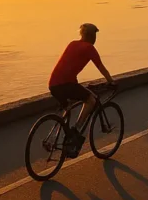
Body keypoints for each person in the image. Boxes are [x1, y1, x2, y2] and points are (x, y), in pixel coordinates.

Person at [48, 23, 115, 155]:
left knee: (68, 107)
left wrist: (76, 84)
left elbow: (68, 67)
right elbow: (101, 68)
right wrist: (111, 82)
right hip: (65, 85)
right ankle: (76, 130)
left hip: (53, 85)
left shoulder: (72, 44)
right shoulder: (89, 48)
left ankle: (59, 137)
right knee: (91, 99)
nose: (96, 38)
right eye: (95, 35)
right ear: (91, 36)